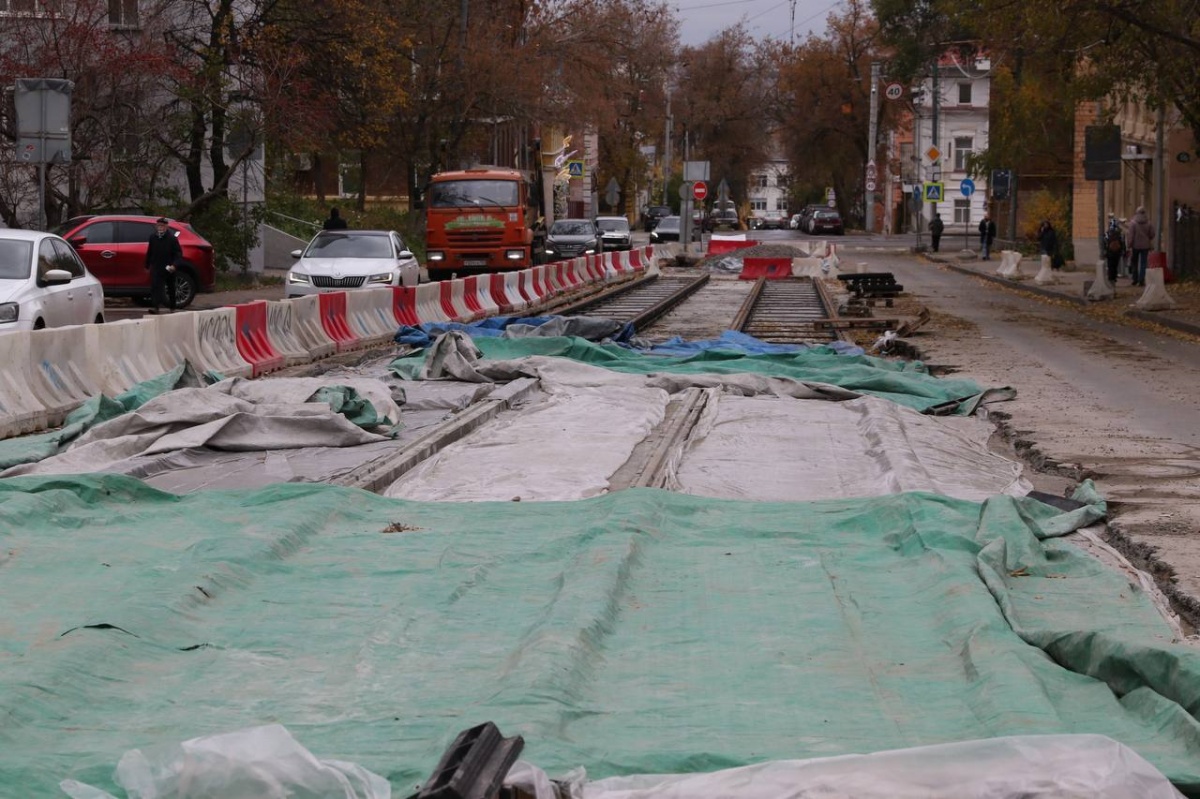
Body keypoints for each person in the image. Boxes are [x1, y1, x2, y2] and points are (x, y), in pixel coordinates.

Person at [144, 217, 183, 314]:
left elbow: (178, 254)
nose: (160, 228)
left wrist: (174, 265)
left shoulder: (172, 239)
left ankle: (172, 307)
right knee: (155, 287)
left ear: (166, 227)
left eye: (162, 226)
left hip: (168, 267)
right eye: (158, 226)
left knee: (170, 287)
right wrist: (147, 264)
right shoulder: (153, 237)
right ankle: (156, 307)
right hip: (157, 266)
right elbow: (150, 252)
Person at [1126, 205, 1155, 286]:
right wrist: (1148, 238)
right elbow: (1152, 234)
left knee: (1134, 262)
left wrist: (1129, 245)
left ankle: (1134, 279)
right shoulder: (1148, 223)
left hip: (1135, 246)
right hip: (1145, 246)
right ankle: (1141, 279)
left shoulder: (1133, 223)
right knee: (1143, 263)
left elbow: (1131, 235)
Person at [1103, 214, 1125, 284]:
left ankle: (1110, 278)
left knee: (1110, 265)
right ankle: (1114, 277)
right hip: (1117, 252)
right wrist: (1122, 250)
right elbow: (1122, 242)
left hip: (1110, 252)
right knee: (1115, 265)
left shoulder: (1108, 233)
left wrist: (1105, 250)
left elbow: (1105, 241)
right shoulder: (1119, 233)